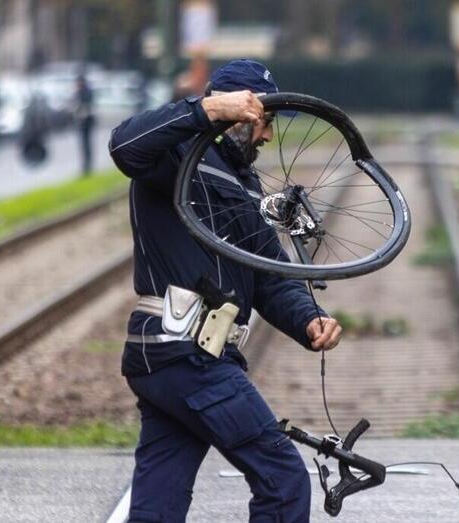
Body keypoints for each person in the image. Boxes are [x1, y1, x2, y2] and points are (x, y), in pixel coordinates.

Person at [109, 59, 343, 522]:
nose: (268, 137)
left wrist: (307, 317)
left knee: (159, 503)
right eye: (265, 123)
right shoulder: (174, 155)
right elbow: (123, 146)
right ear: (239, 115)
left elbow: (270, 274)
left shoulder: (244, 182)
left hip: (184, 358)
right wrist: (207, 108)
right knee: (282, 479)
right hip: (185, 353)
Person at [73, 75, 95, 174]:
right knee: (83, 145)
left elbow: (86, 107)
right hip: (81, 123)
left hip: (86, 123)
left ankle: (88, 166)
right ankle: (85, 166)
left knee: (87, 145)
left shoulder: (85, 93)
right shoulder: (79, 92)